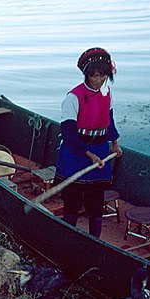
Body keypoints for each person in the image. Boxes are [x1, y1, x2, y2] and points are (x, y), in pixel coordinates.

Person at [55, 47, 123, 238]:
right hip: (76, 153)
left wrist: (115, 144)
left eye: (103, 75)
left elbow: (109, 121)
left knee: (96, 200)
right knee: (73, 200)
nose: (98, 80)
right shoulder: (73, 98)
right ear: (86, 74)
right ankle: (68, 237)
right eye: (94, 75)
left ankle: (95, 240)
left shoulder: (107, 92)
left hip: (100, 150)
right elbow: (68, 134)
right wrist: (89, 154)